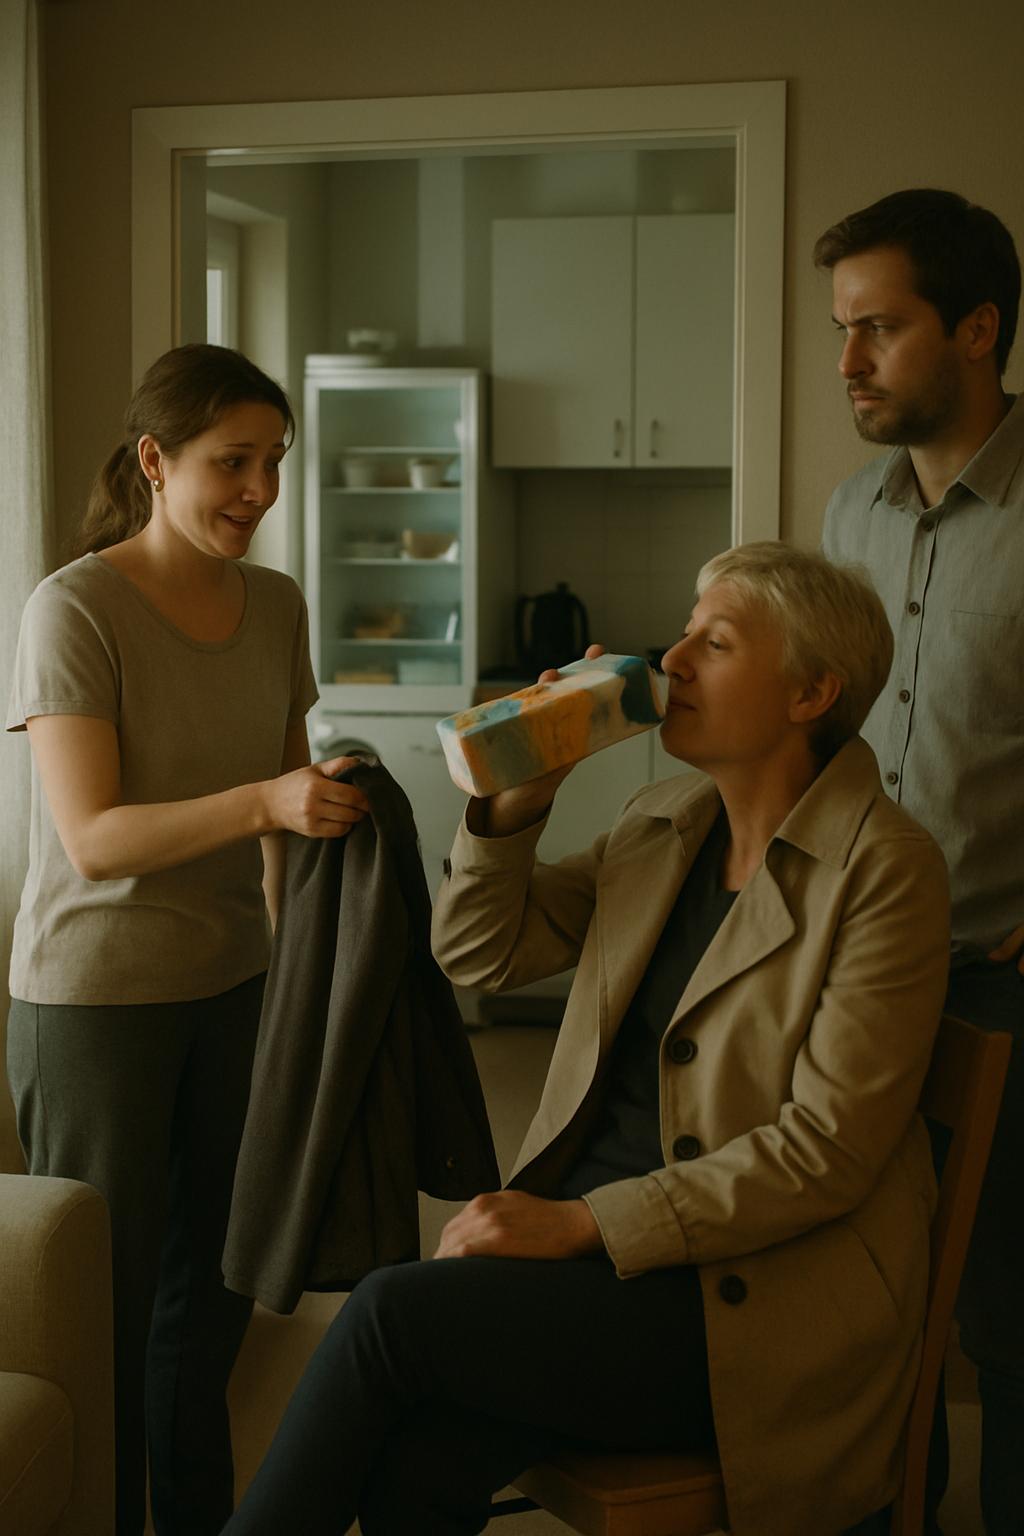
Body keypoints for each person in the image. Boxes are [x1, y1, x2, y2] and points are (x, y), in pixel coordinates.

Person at [219, 542, 950, 1536]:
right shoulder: (666, 821)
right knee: (415, 1453)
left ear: (810, 693)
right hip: (604, 1265)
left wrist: (580, 1225)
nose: (671, 660)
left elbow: (822, 1153)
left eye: (715, 643)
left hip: (747, 1300)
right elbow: (480, 951)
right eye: (684, 632)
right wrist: (521, 795)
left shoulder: (887, 870)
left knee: (391, 1316)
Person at [5, 343, 369, 1536]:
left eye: (274, 461)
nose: (260, 490)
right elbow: (95, 838)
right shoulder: (73, 607)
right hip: (94, 1006)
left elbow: (284, 813)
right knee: (100, 1319)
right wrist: (269, 802)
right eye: (233, 462)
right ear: (156, 461)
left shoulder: (278, 604)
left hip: (234, 989)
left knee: (211, 1305)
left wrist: (301, 972)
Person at [816, 187, 1024, 1536]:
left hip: (1005, 985)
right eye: (842, 330)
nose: (848, 360)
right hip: (860, 970)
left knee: (1009, 1320)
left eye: (879, 329)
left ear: (977, 330)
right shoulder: (851, 513)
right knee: (871, 1303)